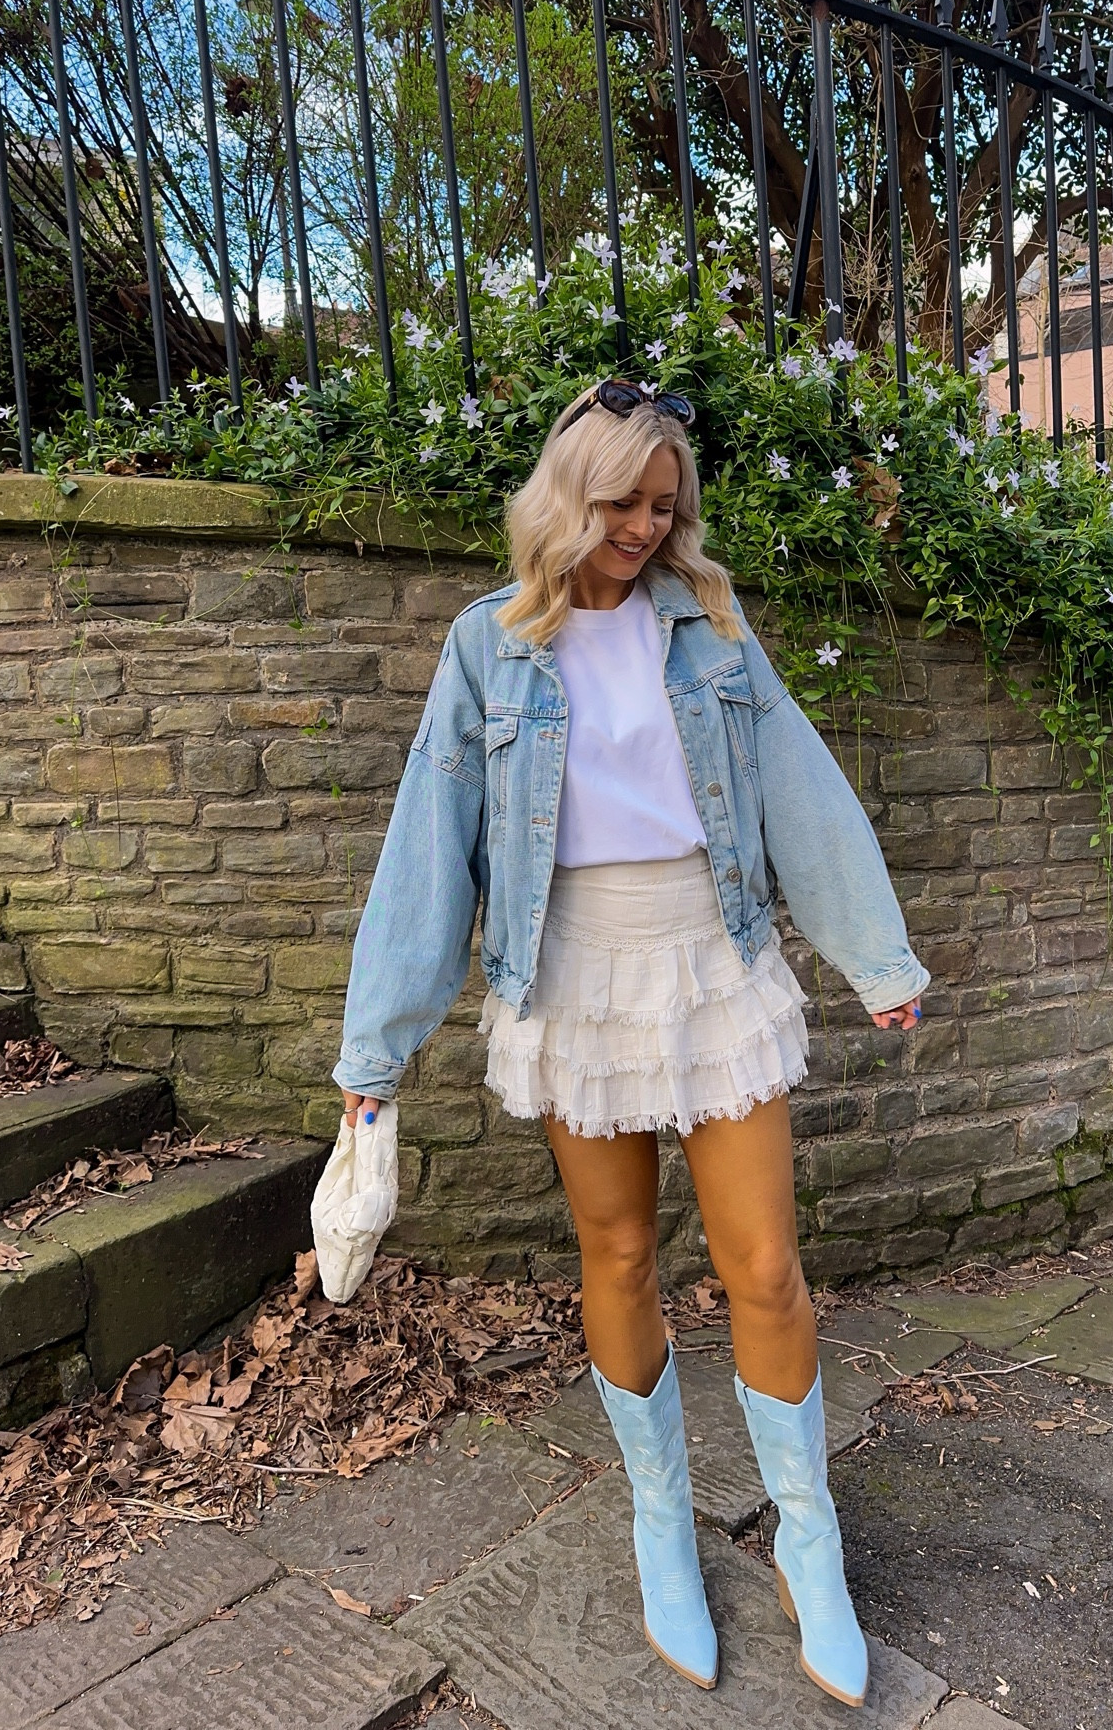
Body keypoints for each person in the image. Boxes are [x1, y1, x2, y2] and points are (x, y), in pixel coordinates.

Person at [334, 378, 929, 1708]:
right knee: (615, 1253)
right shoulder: (489, 647)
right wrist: (374, 1051)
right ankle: (664, 1522)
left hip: (712, 958)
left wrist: (874, 956)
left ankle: (806, 1538)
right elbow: (429, 854)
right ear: (568, 495)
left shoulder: (712, 630)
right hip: (571, 974)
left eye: (666, 507)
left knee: (764, 1267)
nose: (647, 528)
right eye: (623, 503)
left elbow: (801, 788)